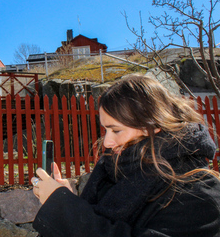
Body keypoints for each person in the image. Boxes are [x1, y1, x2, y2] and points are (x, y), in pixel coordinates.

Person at [31, 75, 220, 237]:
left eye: (116, 130)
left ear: (152, 126)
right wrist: (71, 201)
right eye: (105, 130)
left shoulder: (199, 192)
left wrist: (63, 208)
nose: (106, 142)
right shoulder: (117, 169)